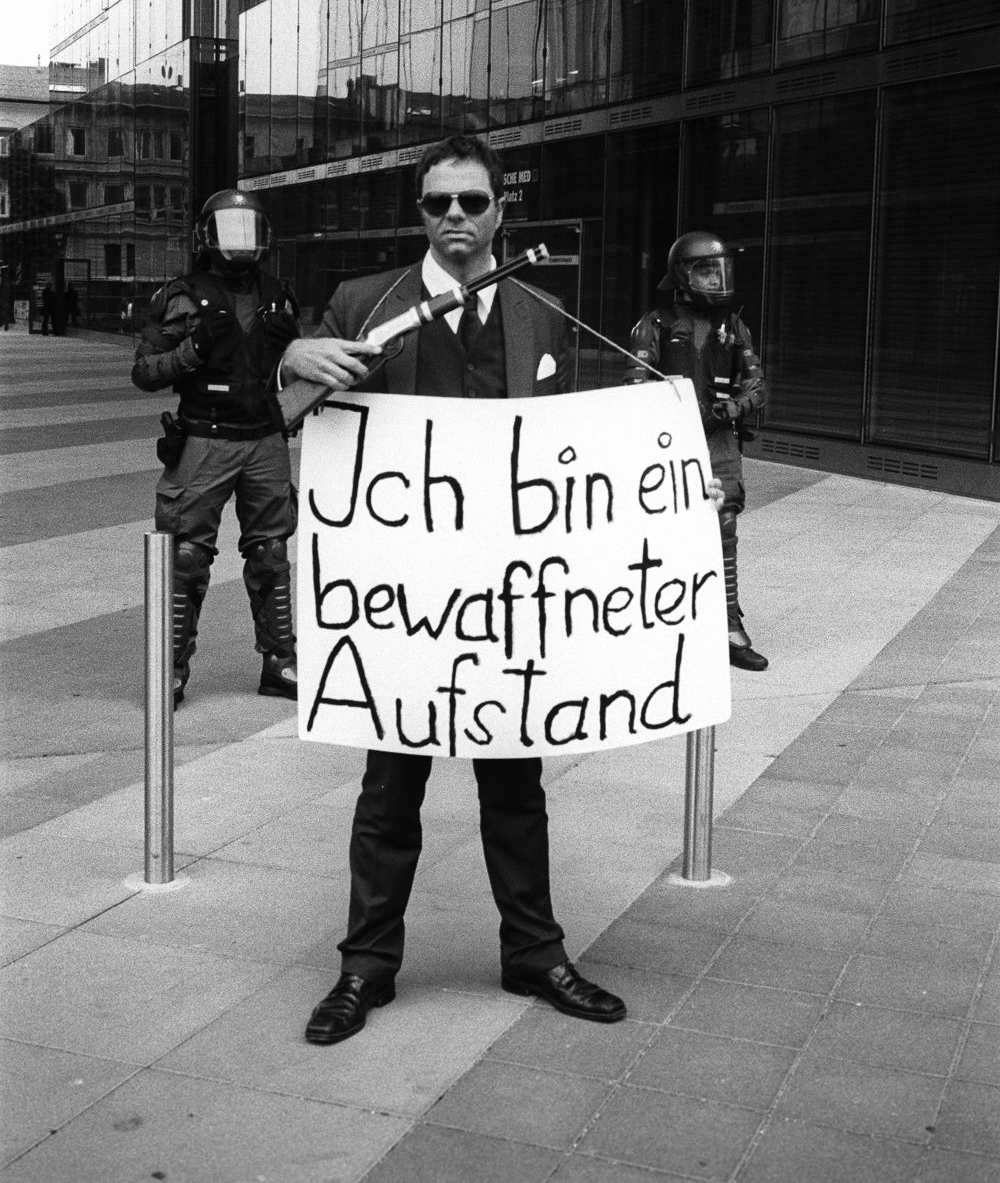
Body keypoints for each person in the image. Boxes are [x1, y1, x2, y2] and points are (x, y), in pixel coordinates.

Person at [281, 133, 628, 1046]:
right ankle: (365, 968)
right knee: (388, 793)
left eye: (472, 203)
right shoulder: (365, 304)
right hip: (403, 605)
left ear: (500, 210)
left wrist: (665, 488)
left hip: (505, 601)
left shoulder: (543, 315)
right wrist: (291, 364)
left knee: (517, 786)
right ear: (420, 213)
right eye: (439, 204)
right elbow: (279, 416)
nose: (456, 219)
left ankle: (536, 954)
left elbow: (573, 456)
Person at [131, 189, 301, 706]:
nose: (241, 241)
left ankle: (280, 662)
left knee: (271, 553)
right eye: (231, 230)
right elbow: (143, 371)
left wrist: (289, 352)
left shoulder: (278, 294)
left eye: (248, 230)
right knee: (186, 555)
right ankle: (171, 668)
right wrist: (194, 349)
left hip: (265, 437)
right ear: (207, 236)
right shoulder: (182, 296)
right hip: (204, 438)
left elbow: (296, 369)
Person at [626, 229, 768, 671]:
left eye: (718, 269)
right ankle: (662, 626)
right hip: (670, 446)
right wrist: (664, 407)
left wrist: (734, 406)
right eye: (706, 270)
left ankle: (728, 626)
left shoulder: (735, 326)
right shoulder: (653, 325)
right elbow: (634, 386)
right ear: (682, 274)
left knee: (723, 527)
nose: (715, 279)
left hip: (720, 442)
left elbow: (758, 385)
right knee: (666, 532)